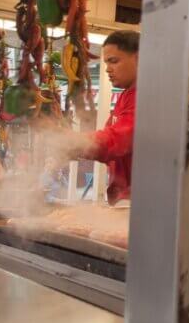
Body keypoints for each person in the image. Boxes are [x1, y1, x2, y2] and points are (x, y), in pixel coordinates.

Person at [50, 30, 139, 205]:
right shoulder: (125, 97)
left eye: (114, 61)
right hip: (123, 199)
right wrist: (75, 147)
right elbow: (109, 144)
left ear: (139, 59)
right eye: (106, 63)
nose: (107, 69)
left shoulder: (148, 96)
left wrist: (74, 142)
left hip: (142, 203)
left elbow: (119, 140)